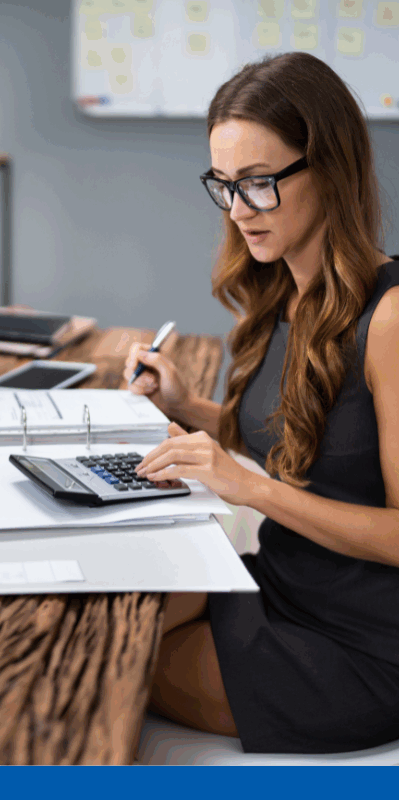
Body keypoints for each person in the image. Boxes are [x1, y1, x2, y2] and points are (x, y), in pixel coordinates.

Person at [123, 51, 399, 754]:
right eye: (225, 185)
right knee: (102, 615)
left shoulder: (391, 318)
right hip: (279, 583)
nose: (240, 210)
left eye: (260, 184)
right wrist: (192, 410)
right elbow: (319, 448)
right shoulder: (287, 289)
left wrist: (248, 489)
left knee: (111, 667)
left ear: (329, 168)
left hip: (360, 648)